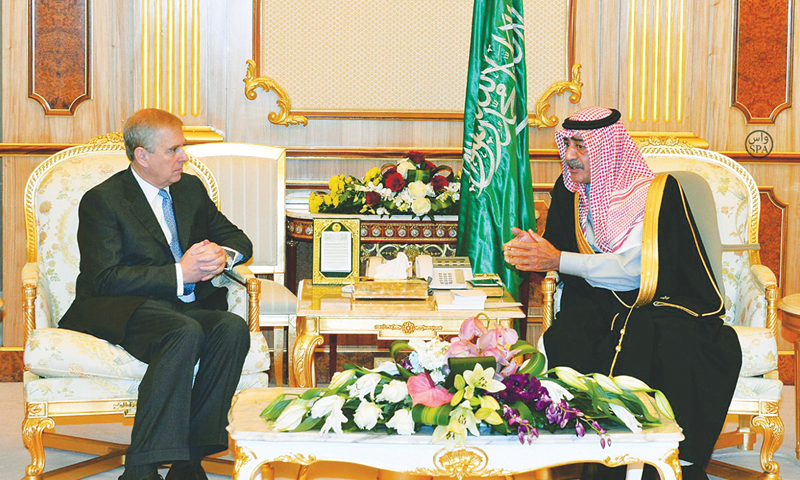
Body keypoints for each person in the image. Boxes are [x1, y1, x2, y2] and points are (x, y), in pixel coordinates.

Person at [503, 107, 741, 480]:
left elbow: (636, 272)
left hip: (660, 300)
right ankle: (599, 459)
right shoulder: (571, 193)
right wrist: (539, 252)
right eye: (566, 144)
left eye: (580, 145)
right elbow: (562, 254)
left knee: (672, 341)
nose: (570, 156)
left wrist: (558, 258)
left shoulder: (658, 195)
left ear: (607, 148)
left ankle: (667, 462)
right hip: (596, 303)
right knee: (570, 336)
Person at [59, 109, 253, 480]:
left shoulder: (190, 188)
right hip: (122, 307)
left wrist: (221, 256)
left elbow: (237, 238)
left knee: (230, 329)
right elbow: (106, 277)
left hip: (180, 308)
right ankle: (141, 468)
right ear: (141, 156)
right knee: (182, 331)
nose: (184, 157)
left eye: (183, 148)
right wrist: (180, 273)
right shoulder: (104, 200)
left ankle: (187, 462)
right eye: (173, 150)